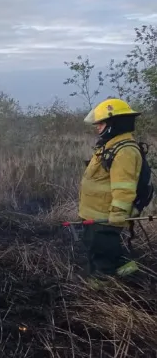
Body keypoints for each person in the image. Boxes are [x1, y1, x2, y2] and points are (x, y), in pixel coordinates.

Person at [79, 98, 144, 283]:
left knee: (103, 260)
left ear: (113, 123)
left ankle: (104, 294)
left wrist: (117, 213)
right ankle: (130, 275)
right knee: (99, 252)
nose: (97, 127)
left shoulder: (125, 151)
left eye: (100, 123)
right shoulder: (110, 146)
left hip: (106, 217)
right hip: (95, 214)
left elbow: (124, 188)